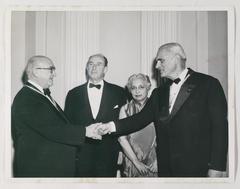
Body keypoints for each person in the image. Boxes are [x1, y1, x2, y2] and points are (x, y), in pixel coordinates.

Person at [98, 42, 228, 177]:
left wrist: (217, 167)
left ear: (176, 57)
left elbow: (220, 128)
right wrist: (110, 126)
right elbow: (139, 119)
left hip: (197, 169)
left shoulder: (208, 84)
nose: (156, 66)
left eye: (161, 60)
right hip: (166, 170)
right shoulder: (158, 93)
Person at [11, 55, 101, 177]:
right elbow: (51, 128)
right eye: (51, 69)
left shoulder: (38, 95)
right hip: (40, 170)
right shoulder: (26, 98)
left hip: (49, 168)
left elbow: (59, 124)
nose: (54, 74)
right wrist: (85, 131)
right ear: (36, 72)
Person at [64, 53, 127, 177]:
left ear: (105, 69)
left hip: (109, 154)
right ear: (87, 68)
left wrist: (121, 151)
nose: (94, 68)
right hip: (82, 154)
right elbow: (68, 125)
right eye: (91, 64)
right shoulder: (73, 94)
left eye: (99, 64)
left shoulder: (119, 92)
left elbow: (123, 125)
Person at [118, 73, 158, 177]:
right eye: (133, 88)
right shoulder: (125, 109)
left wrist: (159, 160)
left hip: (155, 162)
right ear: (130, 90)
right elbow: (122, 139)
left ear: (148, 88)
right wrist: (136, 162)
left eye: (141, 87)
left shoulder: (158, 106)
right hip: (132, 161)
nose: (137, 91)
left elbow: (167, 135)